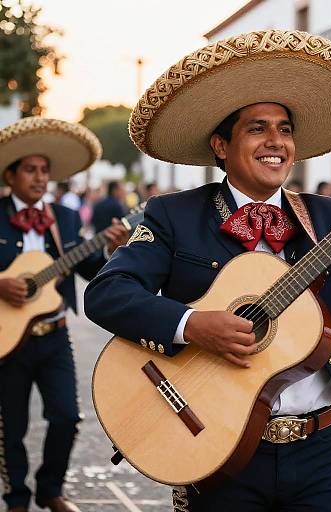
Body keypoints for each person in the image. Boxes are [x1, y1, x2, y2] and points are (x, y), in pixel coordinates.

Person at [84, 29, 331, 511]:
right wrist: (192, 326)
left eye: (285, 129)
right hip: (213, 442)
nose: (276, 142)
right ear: (221, 145)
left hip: (317, 448)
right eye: (258, 128)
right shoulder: (173, 215)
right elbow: (107, 293)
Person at [0, 117, 130, 512]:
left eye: (45, 171)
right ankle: (17, 497)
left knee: (67, 416)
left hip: (55, 335)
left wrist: (110, 249)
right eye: (30, 170)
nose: (40, 179)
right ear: (11, 174)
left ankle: (50, 488)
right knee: (12, 428)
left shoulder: (67, 218)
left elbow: (89, 268)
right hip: (7, 341)